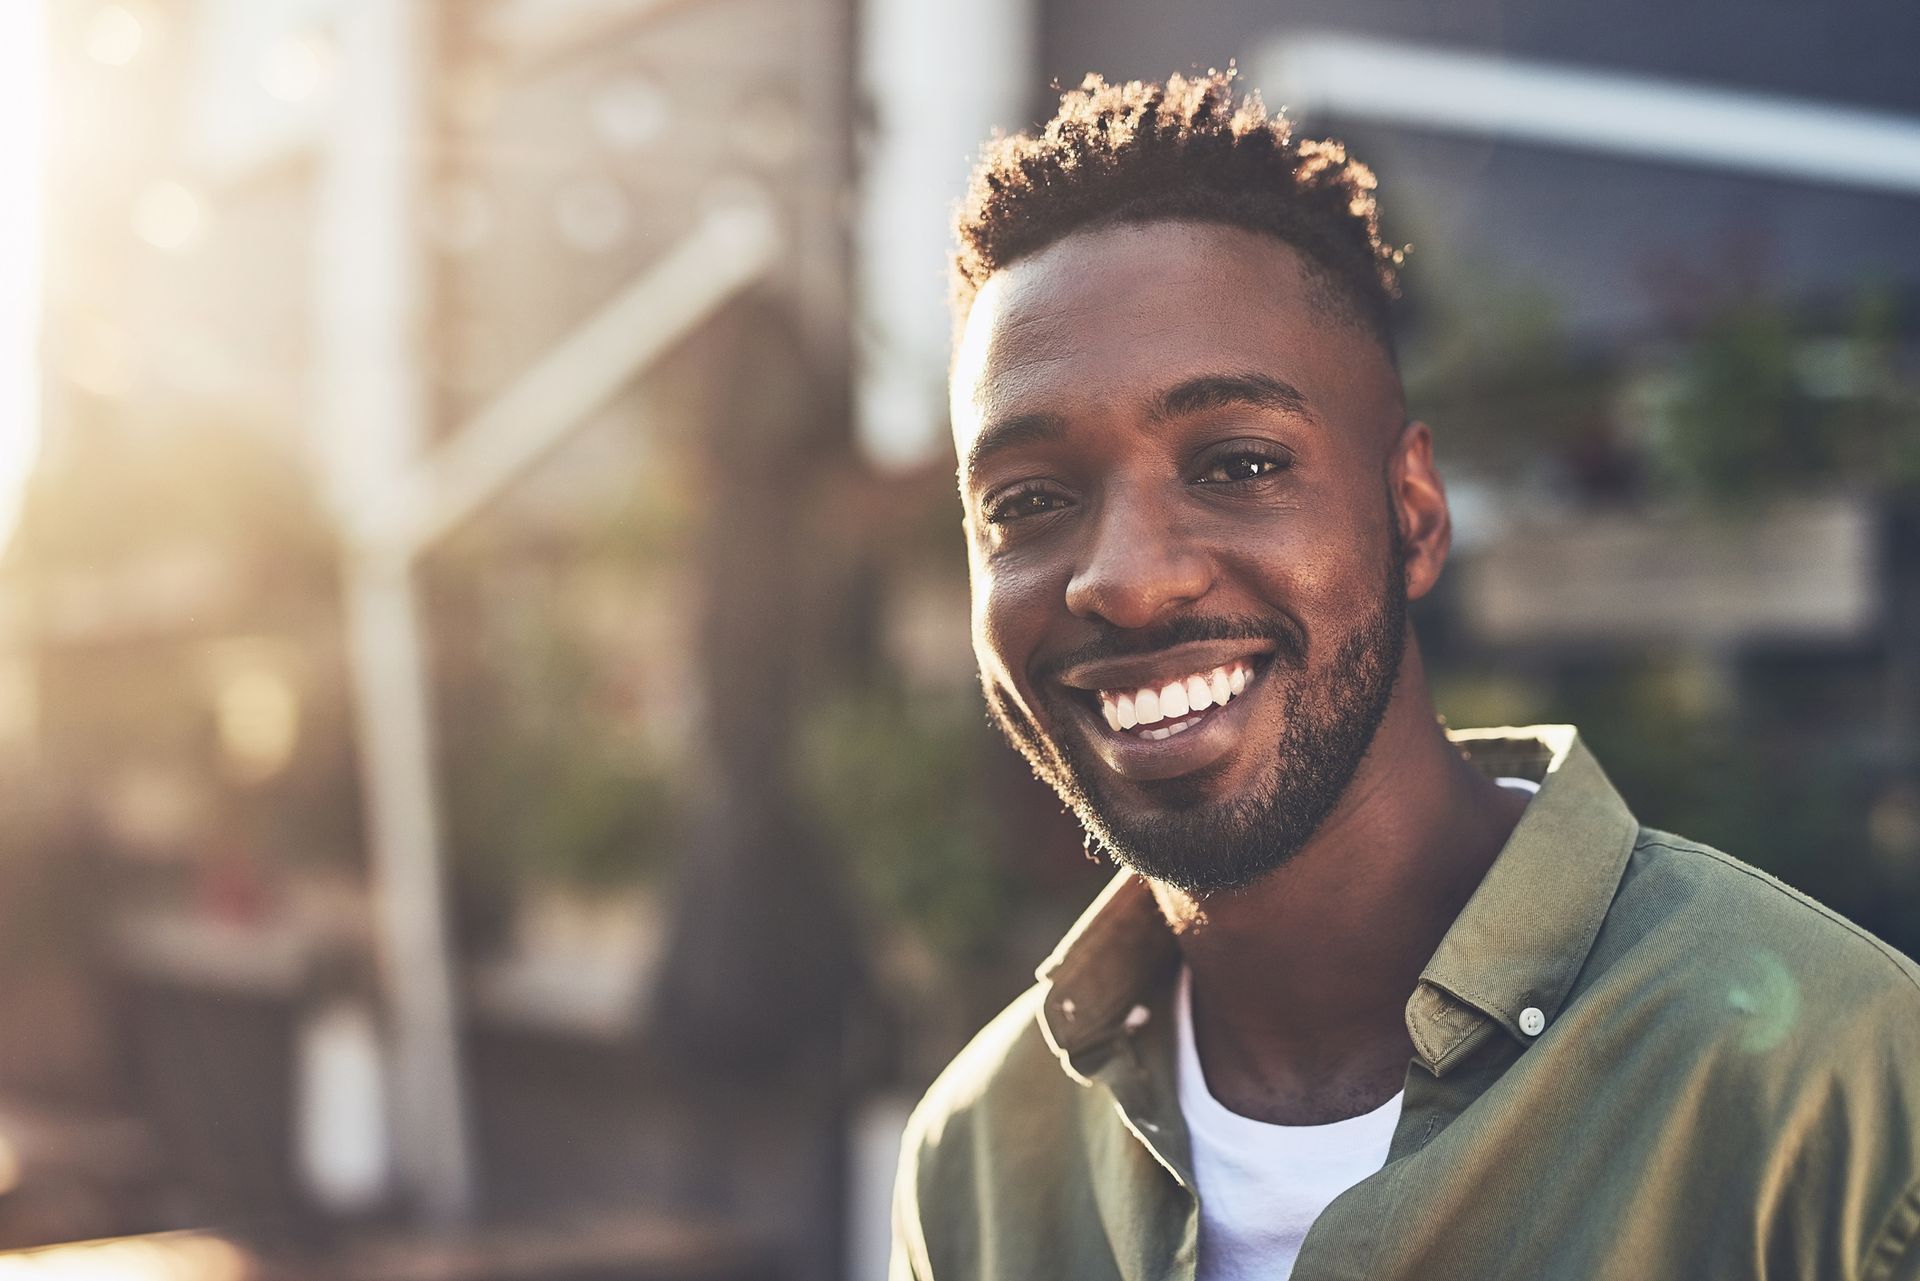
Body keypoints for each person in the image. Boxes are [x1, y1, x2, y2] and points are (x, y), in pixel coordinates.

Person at [890, 69, 1920, 1281]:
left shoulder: (1842, 1093)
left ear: (1415, 515)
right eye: (1028, 501)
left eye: (1236, 463)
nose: (1123, 580)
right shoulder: (978, 1158)